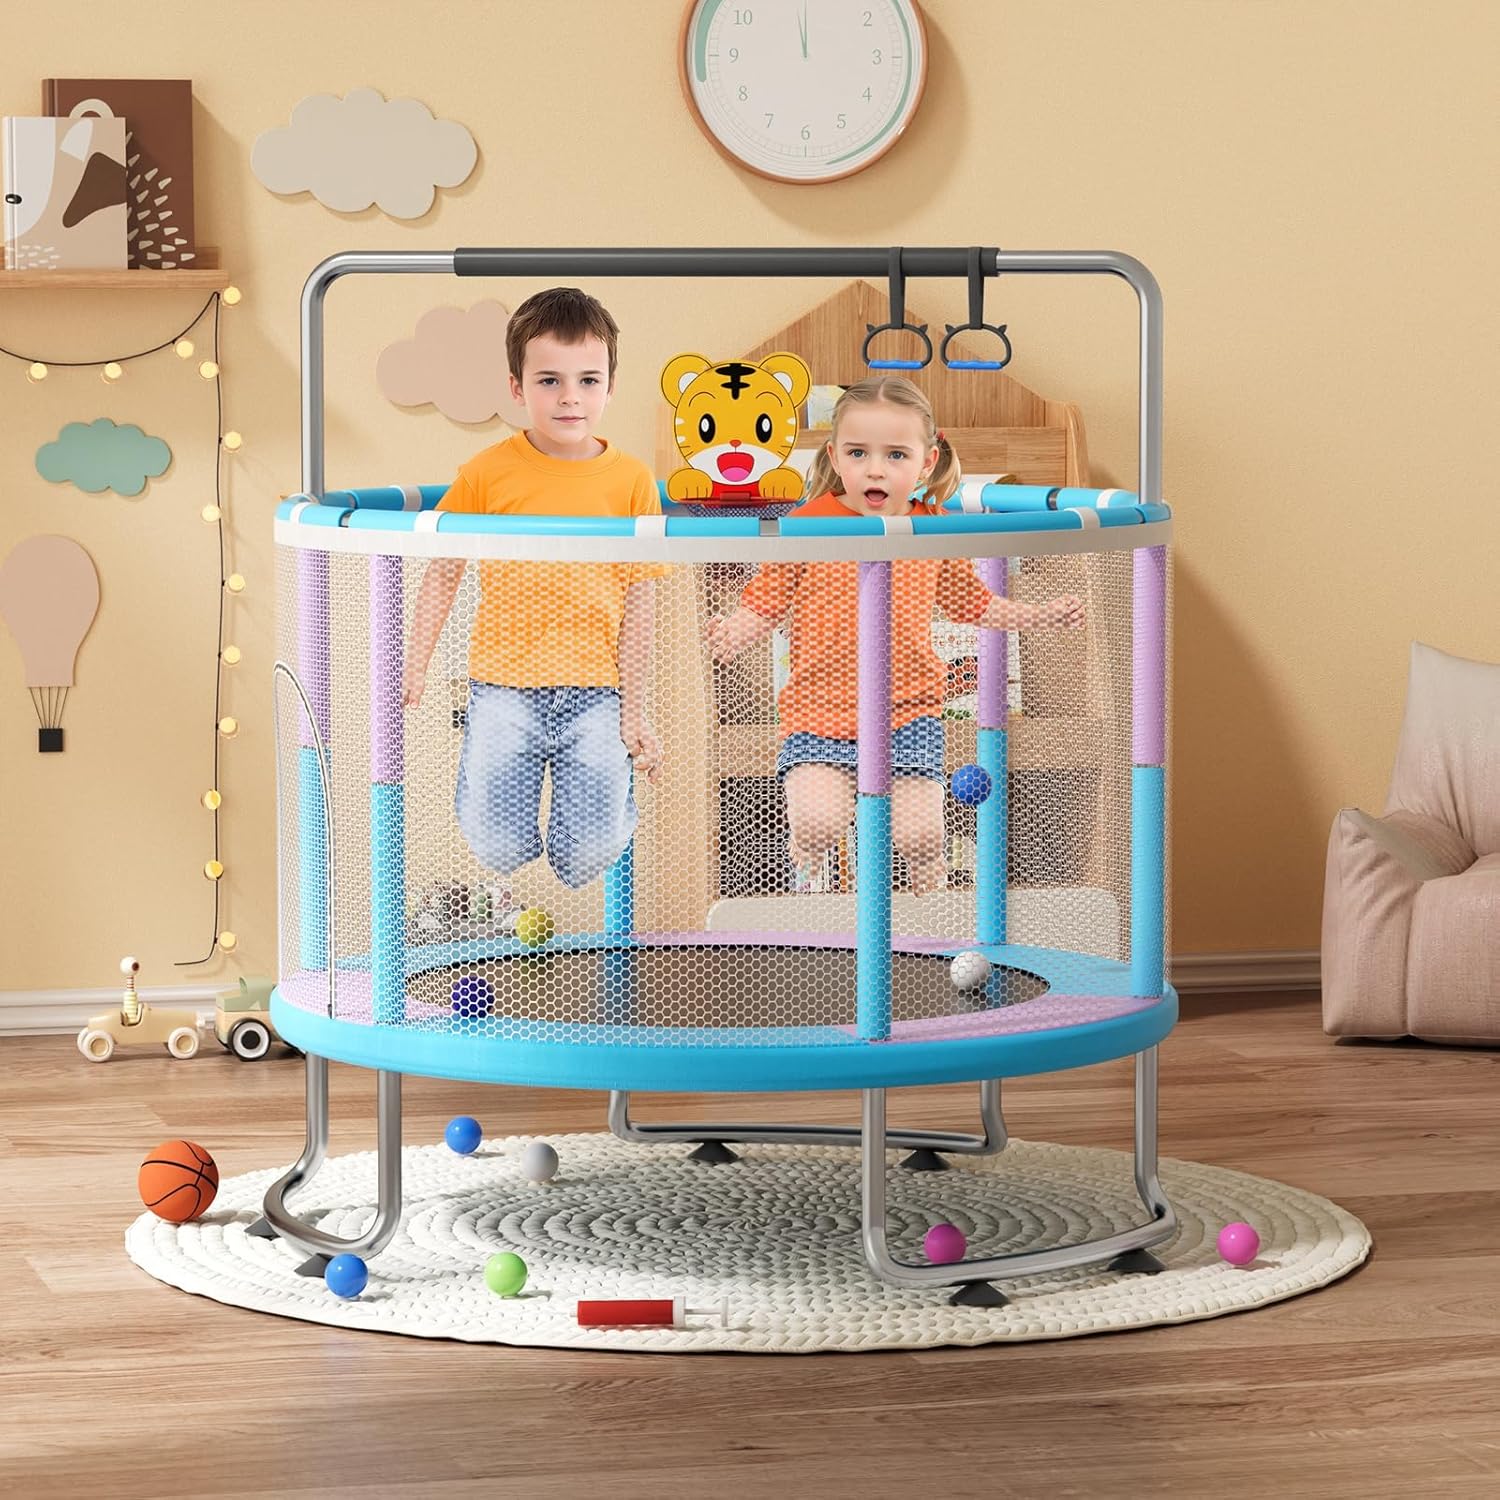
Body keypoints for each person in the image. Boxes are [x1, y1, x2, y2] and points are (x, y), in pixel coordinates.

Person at [706, 376, 1084, 895]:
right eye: (858, 453)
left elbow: (973, 604)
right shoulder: (810, 523)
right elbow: (768, 598)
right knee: (819, 823)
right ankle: (808, 857)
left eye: (896, 455)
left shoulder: (931, 528)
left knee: (922, 835)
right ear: (835, 457)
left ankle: (929, 885)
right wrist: (736, 631)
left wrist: (1038, 616)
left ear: (926, 462)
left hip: (908, 715)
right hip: (818, 716)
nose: (875, 469)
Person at [402, 287, 668, 890]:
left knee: (588, 857)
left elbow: (640, 604)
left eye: (588, 380)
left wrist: (633, 709)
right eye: (550, 380)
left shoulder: (631, 481)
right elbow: (444, 570)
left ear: (610, 386)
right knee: (497, 845)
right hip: (504, 688)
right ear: (517, 387)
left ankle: (596, 820)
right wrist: (416, 662)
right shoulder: (487, 473)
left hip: (597, 693)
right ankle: (500, 819)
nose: (570, 396)